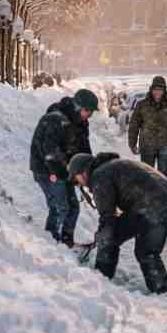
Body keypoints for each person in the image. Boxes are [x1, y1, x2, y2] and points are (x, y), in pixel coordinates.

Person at [70, 152, 167, 293]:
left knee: (119, 239)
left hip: (153, 206)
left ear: (83, 171)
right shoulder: (113, 166)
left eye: (76, 178)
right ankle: (162, 291)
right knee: (139, 247)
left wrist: (102, 236)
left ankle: (101, 279)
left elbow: (107, 217)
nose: (79, 183)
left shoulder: (99, 176)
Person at [28, 88, 99, 245]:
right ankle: (51, 245)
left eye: (91, 112)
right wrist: (69, 173)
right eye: (87, 110)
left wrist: (88, 171)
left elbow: (84, 150)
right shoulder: (56, 119)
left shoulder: (81, 123)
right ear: (77, 106)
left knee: (73, 208)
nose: (89, 115)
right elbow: (50, 152)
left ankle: (66, 244)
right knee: (60, 208)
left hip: (64, 169)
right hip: (46, 170)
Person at [126, 75, 167, 176]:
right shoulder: (142, 105)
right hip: (147, 145)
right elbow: (134, 125)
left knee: (163, 175)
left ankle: (163, 192)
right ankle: (147, 192)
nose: (157, 92)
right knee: (147, 175)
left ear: (164, 90)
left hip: (164, 145)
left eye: (160, 89)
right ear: (151, 90)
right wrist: (132, 143)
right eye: (155, 89)